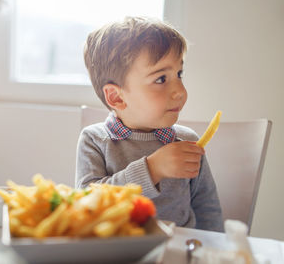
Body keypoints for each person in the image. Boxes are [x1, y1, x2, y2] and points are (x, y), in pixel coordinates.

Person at [75, 16, 223, 232]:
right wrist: (151, 169)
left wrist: (215, 250)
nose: (180, 91)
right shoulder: (94, 141)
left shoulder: (188, 140)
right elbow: (86, 203)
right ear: (116, 97)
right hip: (115, 250)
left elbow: (206, 208)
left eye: (179, 74)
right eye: (161, 79)